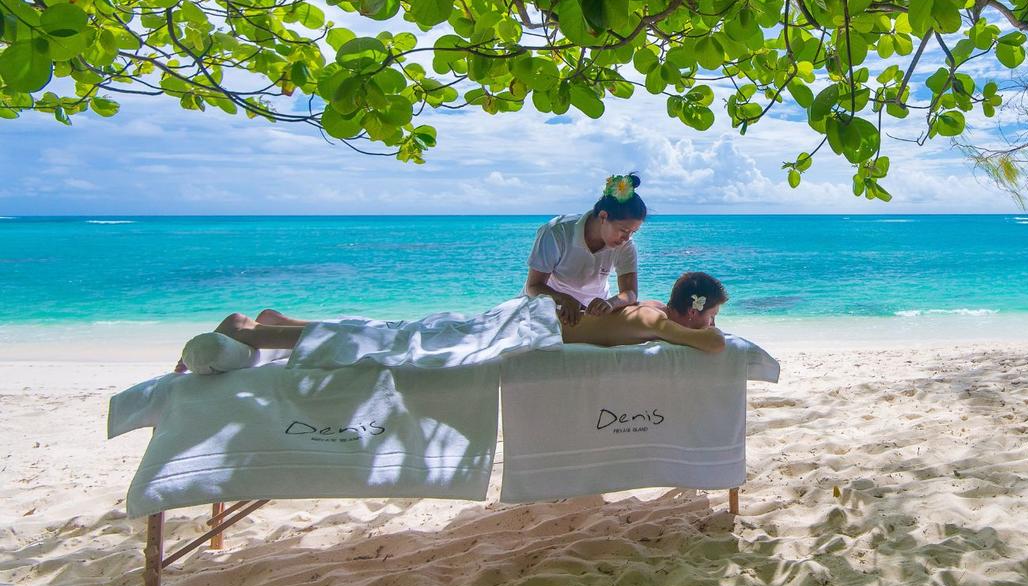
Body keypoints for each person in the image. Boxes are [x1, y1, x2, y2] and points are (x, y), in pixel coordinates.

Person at [179, 273, 730, 369]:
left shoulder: (649, 307)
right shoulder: (657, 320)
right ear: (694, 309)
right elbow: (712, 347)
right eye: (712, 313)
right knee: (399, 341)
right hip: (521, 330)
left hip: (526, 321)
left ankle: (283, 320)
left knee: (399, 332)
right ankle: (253, 331)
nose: (713, 323)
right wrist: (708, 331)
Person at [523, 173, 646, 326]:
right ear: (603, 217)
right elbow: (533, 287)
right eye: (623, 230)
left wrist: (611, 303)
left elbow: (630, 293)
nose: (627, 238)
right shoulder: (557, 232)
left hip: (595, 312)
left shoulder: (625, 245)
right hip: (550, 306)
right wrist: (563, 299)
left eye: (633, 232)